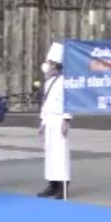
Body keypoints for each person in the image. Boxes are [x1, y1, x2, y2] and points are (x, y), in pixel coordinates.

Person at [37, 42, 72, 200]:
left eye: (49, 63)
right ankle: (53, 183)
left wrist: (66, 119)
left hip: (59, 120)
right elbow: (46, 103)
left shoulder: (64, 81)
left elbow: (69, 102)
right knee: (50, 153)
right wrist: (42, 122)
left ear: (55, 66)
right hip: (49, 119)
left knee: (60, 153)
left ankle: (63, 185)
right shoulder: (48, 82)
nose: (46, 66)